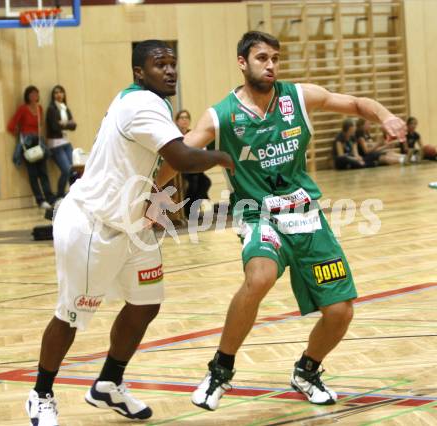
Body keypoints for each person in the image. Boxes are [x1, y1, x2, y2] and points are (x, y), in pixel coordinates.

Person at [155, 31, 406, 410]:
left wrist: (386, 115)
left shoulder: (298, 97)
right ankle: (220, 371)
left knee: (340, 312)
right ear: (242, 62)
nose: (270, 65)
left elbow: (355, 102)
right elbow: (179, 155)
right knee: (260, 276)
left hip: (305, 214)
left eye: (275, 58)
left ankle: (307, 370)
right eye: (261, 58)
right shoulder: (222, 114)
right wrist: (146, 195)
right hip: (257, 213)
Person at [25, 39, 234, 426]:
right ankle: (40, 394)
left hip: (131, 223)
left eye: (173, 63)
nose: (170, 70)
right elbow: (183, 158)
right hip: (92, 224)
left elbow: (150, 166)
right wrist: (225, 157)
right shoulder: (141, 105)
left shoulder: (149, 100)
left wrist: (151, 201)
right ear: (140, 72)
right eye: (160, 64)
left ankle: (108, 383)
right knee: (70, 316)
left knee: (146, 303)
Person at [8, 85, 55, 209]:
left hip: (39, 142)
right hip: (27, 143)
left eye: (36, 94)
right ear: (27, 96)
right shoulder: (23, 109)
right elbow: (11, 125)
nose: (34, 96)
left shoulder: (39, 108)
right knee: (33, 174)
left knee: (43, 172)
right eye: (32, 94)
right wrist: (20, 135)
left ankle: (50, 198)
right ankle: (40, 200)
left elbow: (41, 125)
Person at [176, 109, 212, 217]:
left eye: (186, 118)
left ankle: (192, 208)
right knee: (193, 183)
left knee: (205, 182)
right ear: (177, 121)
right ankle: (188, 211)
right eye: (182, 118)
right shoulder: (175, 135)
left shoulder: (192, 134)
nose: (184, 120)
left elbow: (202, 149)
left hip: (194, 166)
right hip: (180, 168)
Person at [46, 85, 77, 199]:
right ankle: (60, 195)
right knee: (66, 170)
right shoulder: (51, 109)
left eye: (60, 92)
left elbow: (74, 126)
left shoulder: (65, 108)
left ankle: (74, 194)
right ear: (53, 96)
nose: (58, 95)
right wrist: (67, 123)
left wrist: (63, 124)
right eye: (56, 93)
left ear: (64, 94)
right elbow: (54, 127)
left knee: (75, 169)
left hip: (66, 142)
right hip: (55, 144)